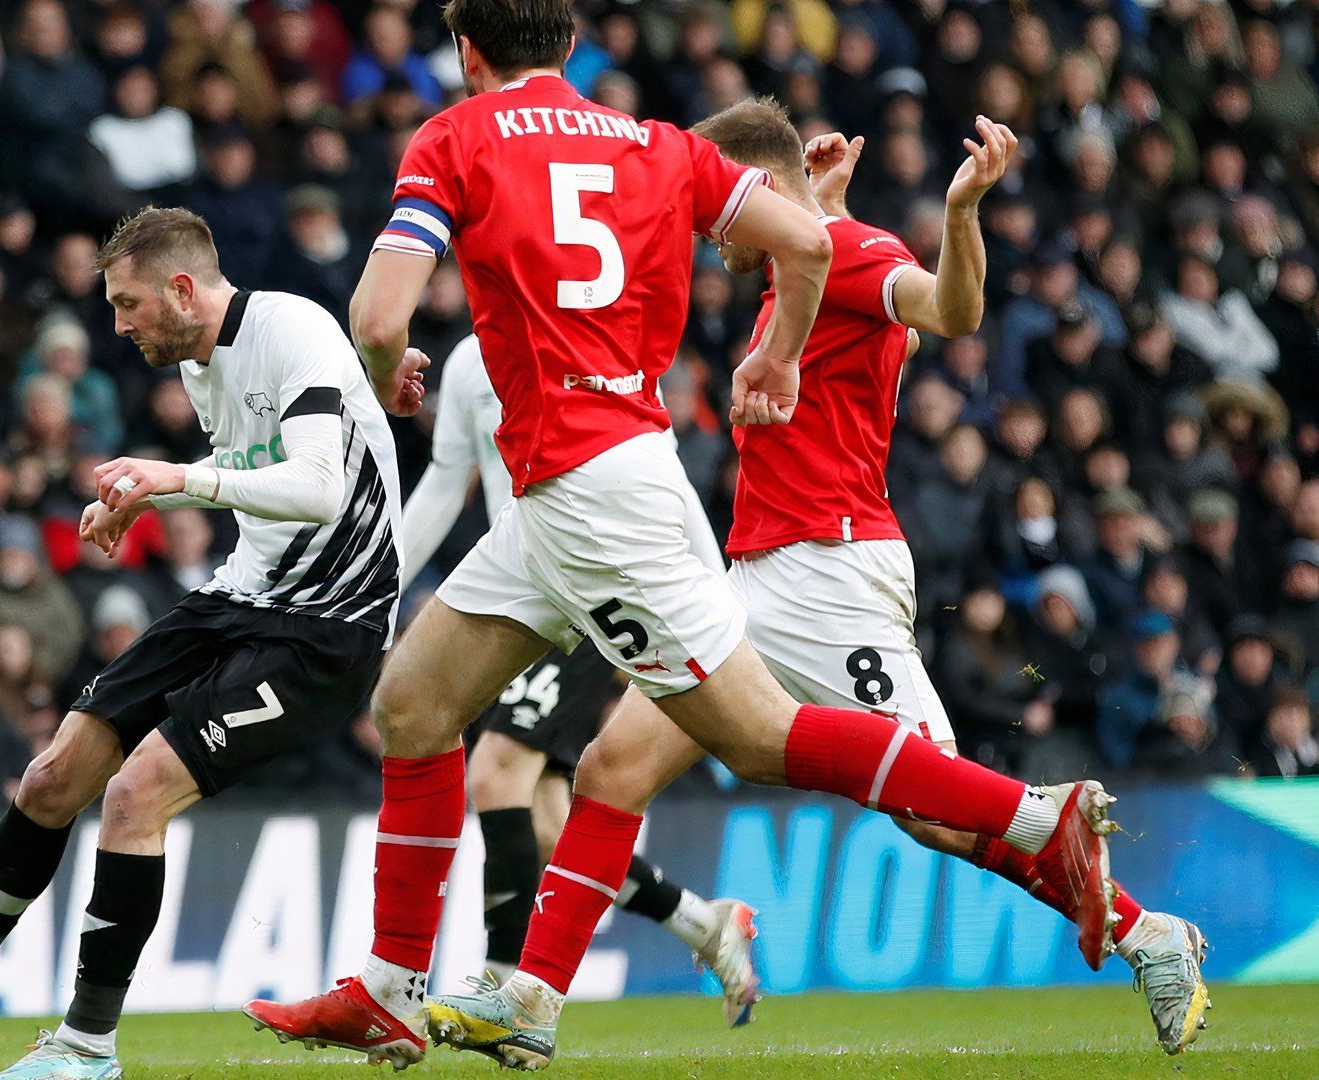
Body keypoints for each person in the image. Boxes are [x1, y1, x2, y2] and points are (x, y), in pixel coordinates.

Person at [247, 4, 1122, 1070]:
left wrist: (390, 384)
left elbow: (380, 321)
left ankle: (1035, 814)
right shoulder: (657, 144)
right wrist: (779, 357)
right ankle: (391, 988)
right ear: (570, 48)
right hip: (586, 476)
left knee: (753, 735)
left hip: (590, 495)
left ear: (468, 53)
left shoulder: (453, 139)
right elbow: (807, 239)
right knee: (415, 704)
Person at [487, 99, 1195, 1054]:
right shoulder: (800, 263)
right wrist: (807, 213)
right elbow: (809, 265)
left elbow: (954, 308)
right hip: (753, 579)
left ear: (746, 188)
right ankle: (533, 1003)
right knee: (612, 767)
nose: (703, 229)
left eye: (711, 206)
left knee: (938, 819)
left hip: (831, 569)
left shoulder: (850, 251)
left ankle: (1146, 931)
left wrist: (959, 213)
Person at [0, 207, 402, 1080]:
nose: (119, 325)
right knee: (53, 774)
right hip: (241, 594)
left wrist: (171, 480)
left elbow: (318, 487)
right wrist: (151, 499)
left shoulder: (291, 327)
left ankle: (87, 1049)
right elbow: (255, 481)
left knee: (133, 795)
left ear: (183, 289)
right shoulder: (197, 363)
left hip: (329, 622)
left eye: (128, 303)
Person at [398, 332, 760, 1018]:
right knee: (543, 823)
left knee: (493, 771)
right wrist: (386, 595)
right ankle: (703, 923)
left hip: (597, 582)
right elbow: (447, 480)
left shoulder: (591, 335)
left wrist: (717, 597)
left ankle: (497, 980)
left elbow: (669, 473)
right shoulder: (473, 360)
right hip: (518, 595)